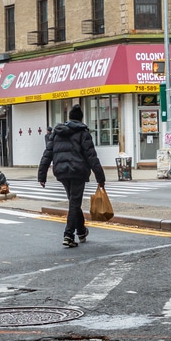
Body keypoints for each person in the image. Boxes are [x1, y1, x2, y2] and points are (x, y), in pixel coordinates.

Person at [38, 104, 106, 249]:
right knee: (74, 203)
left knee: (74, 202)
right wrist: (101, 178)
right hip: (78, 171)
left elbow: (47, 153)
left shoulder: (57, 132)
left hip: (61, 171)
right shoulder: (83, 132)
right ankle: (68, 235)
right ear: (81, 118)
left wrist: (42, 175)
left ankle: (81, 231)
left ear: (69, 118)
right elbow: (92, 157)